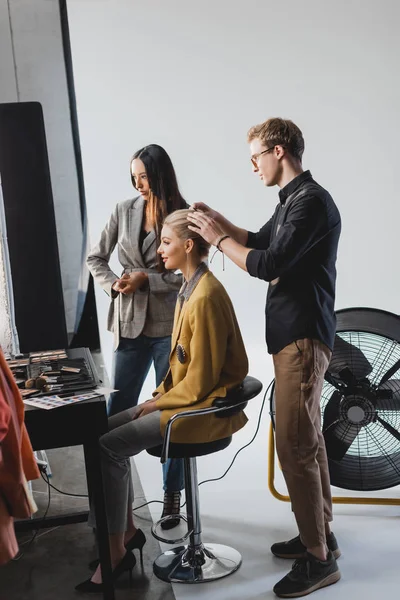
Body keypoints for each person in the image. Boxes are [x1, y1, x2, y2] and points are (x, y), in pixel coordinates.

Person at [187, 117, 342, 598]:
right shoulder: (295, 200)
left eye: (255, 155)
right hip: (295, 339)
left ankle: (319, 562)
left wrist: (215, 239)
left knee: (296, 447)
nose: (252, 165)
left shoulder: (311, 202)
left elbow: (267, 264)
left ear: (278, 150)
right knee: (308, 442)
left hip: (301, 340)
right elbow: (258, 240)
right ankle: (322, 536)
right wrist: (219, 223)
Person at [76, 209, 249, 593]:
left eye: (166, 243)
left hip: (199, 410)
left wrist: (156, 403)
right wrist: (158, 396)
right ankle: (128, 533)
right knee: (99, 431)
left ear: (188, 246)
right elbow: (182, 369)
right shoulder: (190, 287)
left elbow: (200, 381)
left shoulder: (203, 297)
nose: (160, 252)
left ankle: (116, 549)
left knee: (108, 448)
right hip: (184, 401)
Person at [87, 144, 186, 529]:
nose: (138, 183)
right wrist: (115, 285)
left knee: (171, 413)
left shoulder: (183, 214)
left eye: (144, 176)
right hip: (128, 324)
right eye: (134, 176)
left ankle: (172, 496)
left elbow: (187, 273)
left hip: (167, 328)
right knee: (118, 412)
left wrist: (150, 279)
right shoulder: (122, 210)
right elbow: (96, 258)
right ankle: (118, 501)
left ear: (160, 175)